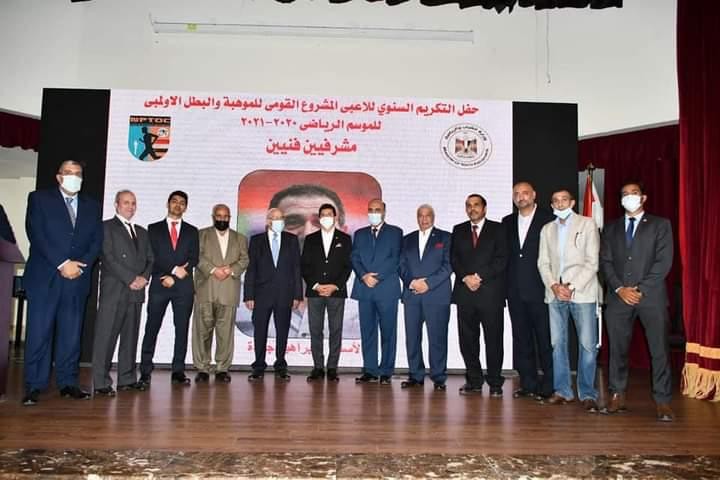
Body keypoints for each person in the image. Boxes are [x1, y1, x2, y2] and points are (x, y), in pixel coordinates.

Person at [22, 160, 103, 405]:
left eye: (78, 173)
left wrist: (79, 265)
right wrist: (62, 263)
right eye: (69, 173)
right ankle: (34, 384)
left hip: (77, 278)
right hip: (45, 277)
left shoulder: (92, 206)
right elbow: (36, 233)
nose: (74, 176)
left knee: (71, 334)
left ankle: (68, 382)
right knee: (39, 332)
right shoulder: (39, 199)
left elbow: (96, 241)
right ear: (59, 177)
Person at [600, 181, 674, 422]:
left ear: (643, 198)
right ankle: (617, 395)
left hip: (651, 298)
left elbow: (664, 262)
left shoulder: (660, 225)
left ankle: (662, 400)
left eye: (634, 193)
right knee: (617, 350)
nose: (629, 197)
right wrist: (620, 288)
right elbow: (605, 262)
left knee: (659, 350)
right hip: (618, 298)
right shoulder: (610, 228)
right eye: (624, 194)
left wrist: (640, 289)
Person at [537, 189, 600, 412]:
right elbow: (543, 263)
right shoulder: (547, 229)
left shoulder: (587, 224)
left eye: (564, 200)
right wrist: (554, 286)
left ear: (572, 202)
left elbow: (592, 262)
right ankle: (563, 390)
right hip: (554, 294)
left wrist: (571, 287)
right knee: (557, 345)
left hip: (581, 293)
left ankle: (588, 393)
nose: (560, 203)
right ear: (551, 204)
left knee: (587, 345)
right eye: (555, 200)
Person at [91, 190, 153, 396]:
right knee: (106, 337)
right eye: (126, 202)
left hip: (136, 293)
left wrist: (144, 278)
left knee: (130, 337)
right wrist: (131, 278)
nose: (130, 206)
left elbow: (150, 259)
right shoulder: (106, 227)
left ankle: (126, 379)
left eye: (133, 203)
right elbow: (107, 256)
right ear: (116, 205)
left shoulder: (142, 232)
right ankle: (101, 382)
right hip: (115, 291)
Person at [139, 191, 199, 387]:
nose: (178, 205)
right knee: (152, 327)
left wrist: (176, 275)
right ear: (168, 204)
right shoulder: (153, 229)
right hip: (160, 284)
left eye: (182, 203)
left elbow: (194, 258)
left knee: (181, 329)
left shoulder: (192, 231)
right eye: (174, 201)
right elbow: (151, 256)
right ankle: (145, 370)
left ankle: (178, 371)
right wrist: (172, 271)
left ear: (185, 207)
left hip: (183, 287)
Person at [502, 182, 555, 400]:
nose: (520, 197)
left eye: (525, 193)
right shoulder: (507, 222)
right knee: (522, 340)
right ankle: (528, 384)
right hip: (515, 291)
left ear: (534, 195)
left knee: (545, 340)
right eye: (516, 194)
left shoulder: (549, 219)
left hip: (541, 289)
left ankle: (549, 386)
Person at [450, 194, 508, 396]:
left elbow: (502, 259)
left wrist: (479, 277)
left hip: (490, 294)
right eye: (468, 205)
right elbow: (454, 259)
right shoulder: (458, 230)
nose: (472, 208)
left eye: (476, 205)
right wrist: (465, 277)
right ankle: (474, 380)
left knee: (493, 340)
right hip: (465, 293)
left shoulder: (498, 229)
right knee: (468, 340)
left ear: (484, 208)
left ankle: (495, 382)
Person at [244, 208, 303, 382]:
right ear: (268, 220)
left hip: (285, 294)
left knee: (282, 330)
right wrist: (249, 295)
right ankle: (258, 366)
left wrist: (297, 295)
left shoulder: (291, 240)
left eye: (281, 218)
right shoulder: (256, 241)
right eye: (275, 218)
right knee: (260, 331)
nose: (278, 221)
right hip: (261, 294)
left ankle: (280, 366)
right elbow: (251, 269)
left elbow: (296, 269)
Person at [192, 204, 249, 384]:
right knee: (202, 331)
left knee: (225, 333)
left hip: (228, 291)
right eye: (219, 216)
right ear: (213, 217)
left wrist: (230, 270)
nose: (222, 219)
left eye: (226, 216)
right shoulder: (201, 235)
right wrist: (213, 269)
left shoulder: (239, 238)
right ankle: (202, 368)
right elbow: (196, 256)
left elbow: (244, 259)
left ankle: (222, 368)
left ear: (229, 218)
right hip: (206, 289)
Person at [399, 204, 452, 391]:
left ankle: (438, 377)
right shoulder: (407, 239)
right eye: (420, 215)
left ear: (433, 217)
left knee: (437, 338)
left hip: (436, 295)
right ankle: (415, 375)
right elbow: (401, 265)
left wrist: (427, 284)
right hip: (412, 295)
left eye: (427, 215)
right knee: (412, 338)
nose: (424, 219)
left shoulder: (445, 238)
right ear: (417, 218)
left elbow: (448, 266)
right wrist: (412, 282)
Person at [351, 198, 403, 385]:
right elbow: (354, 258)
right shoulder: (359, 234)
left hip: (386, 289)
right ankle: (370, 370)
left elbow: (396, 259)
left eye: (377, 209)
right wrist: (364, 275)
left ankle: (386, 371)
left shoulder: (395, 232)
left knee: (388, 332)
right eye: (371, 209)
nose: (374, 213)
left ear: (384, 212)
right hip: (364, 288)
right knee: (368, 332)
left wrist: (377, 277)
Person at [300, 203, 352, 382]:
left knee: (336, 330)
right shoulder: (310, 239)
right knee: (315, 330)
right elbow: (304, 266)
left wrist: (335, 285)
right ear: (320, 218)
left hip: (336, 292)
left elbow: (347, 266)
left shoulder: (345, 239)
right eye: (323, 215)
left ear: (335, 217)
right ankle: (318, 367)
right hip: (315, 292)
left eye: (330, 214)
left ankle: (332, 368)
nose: (326, 217)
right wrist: (315, 285)